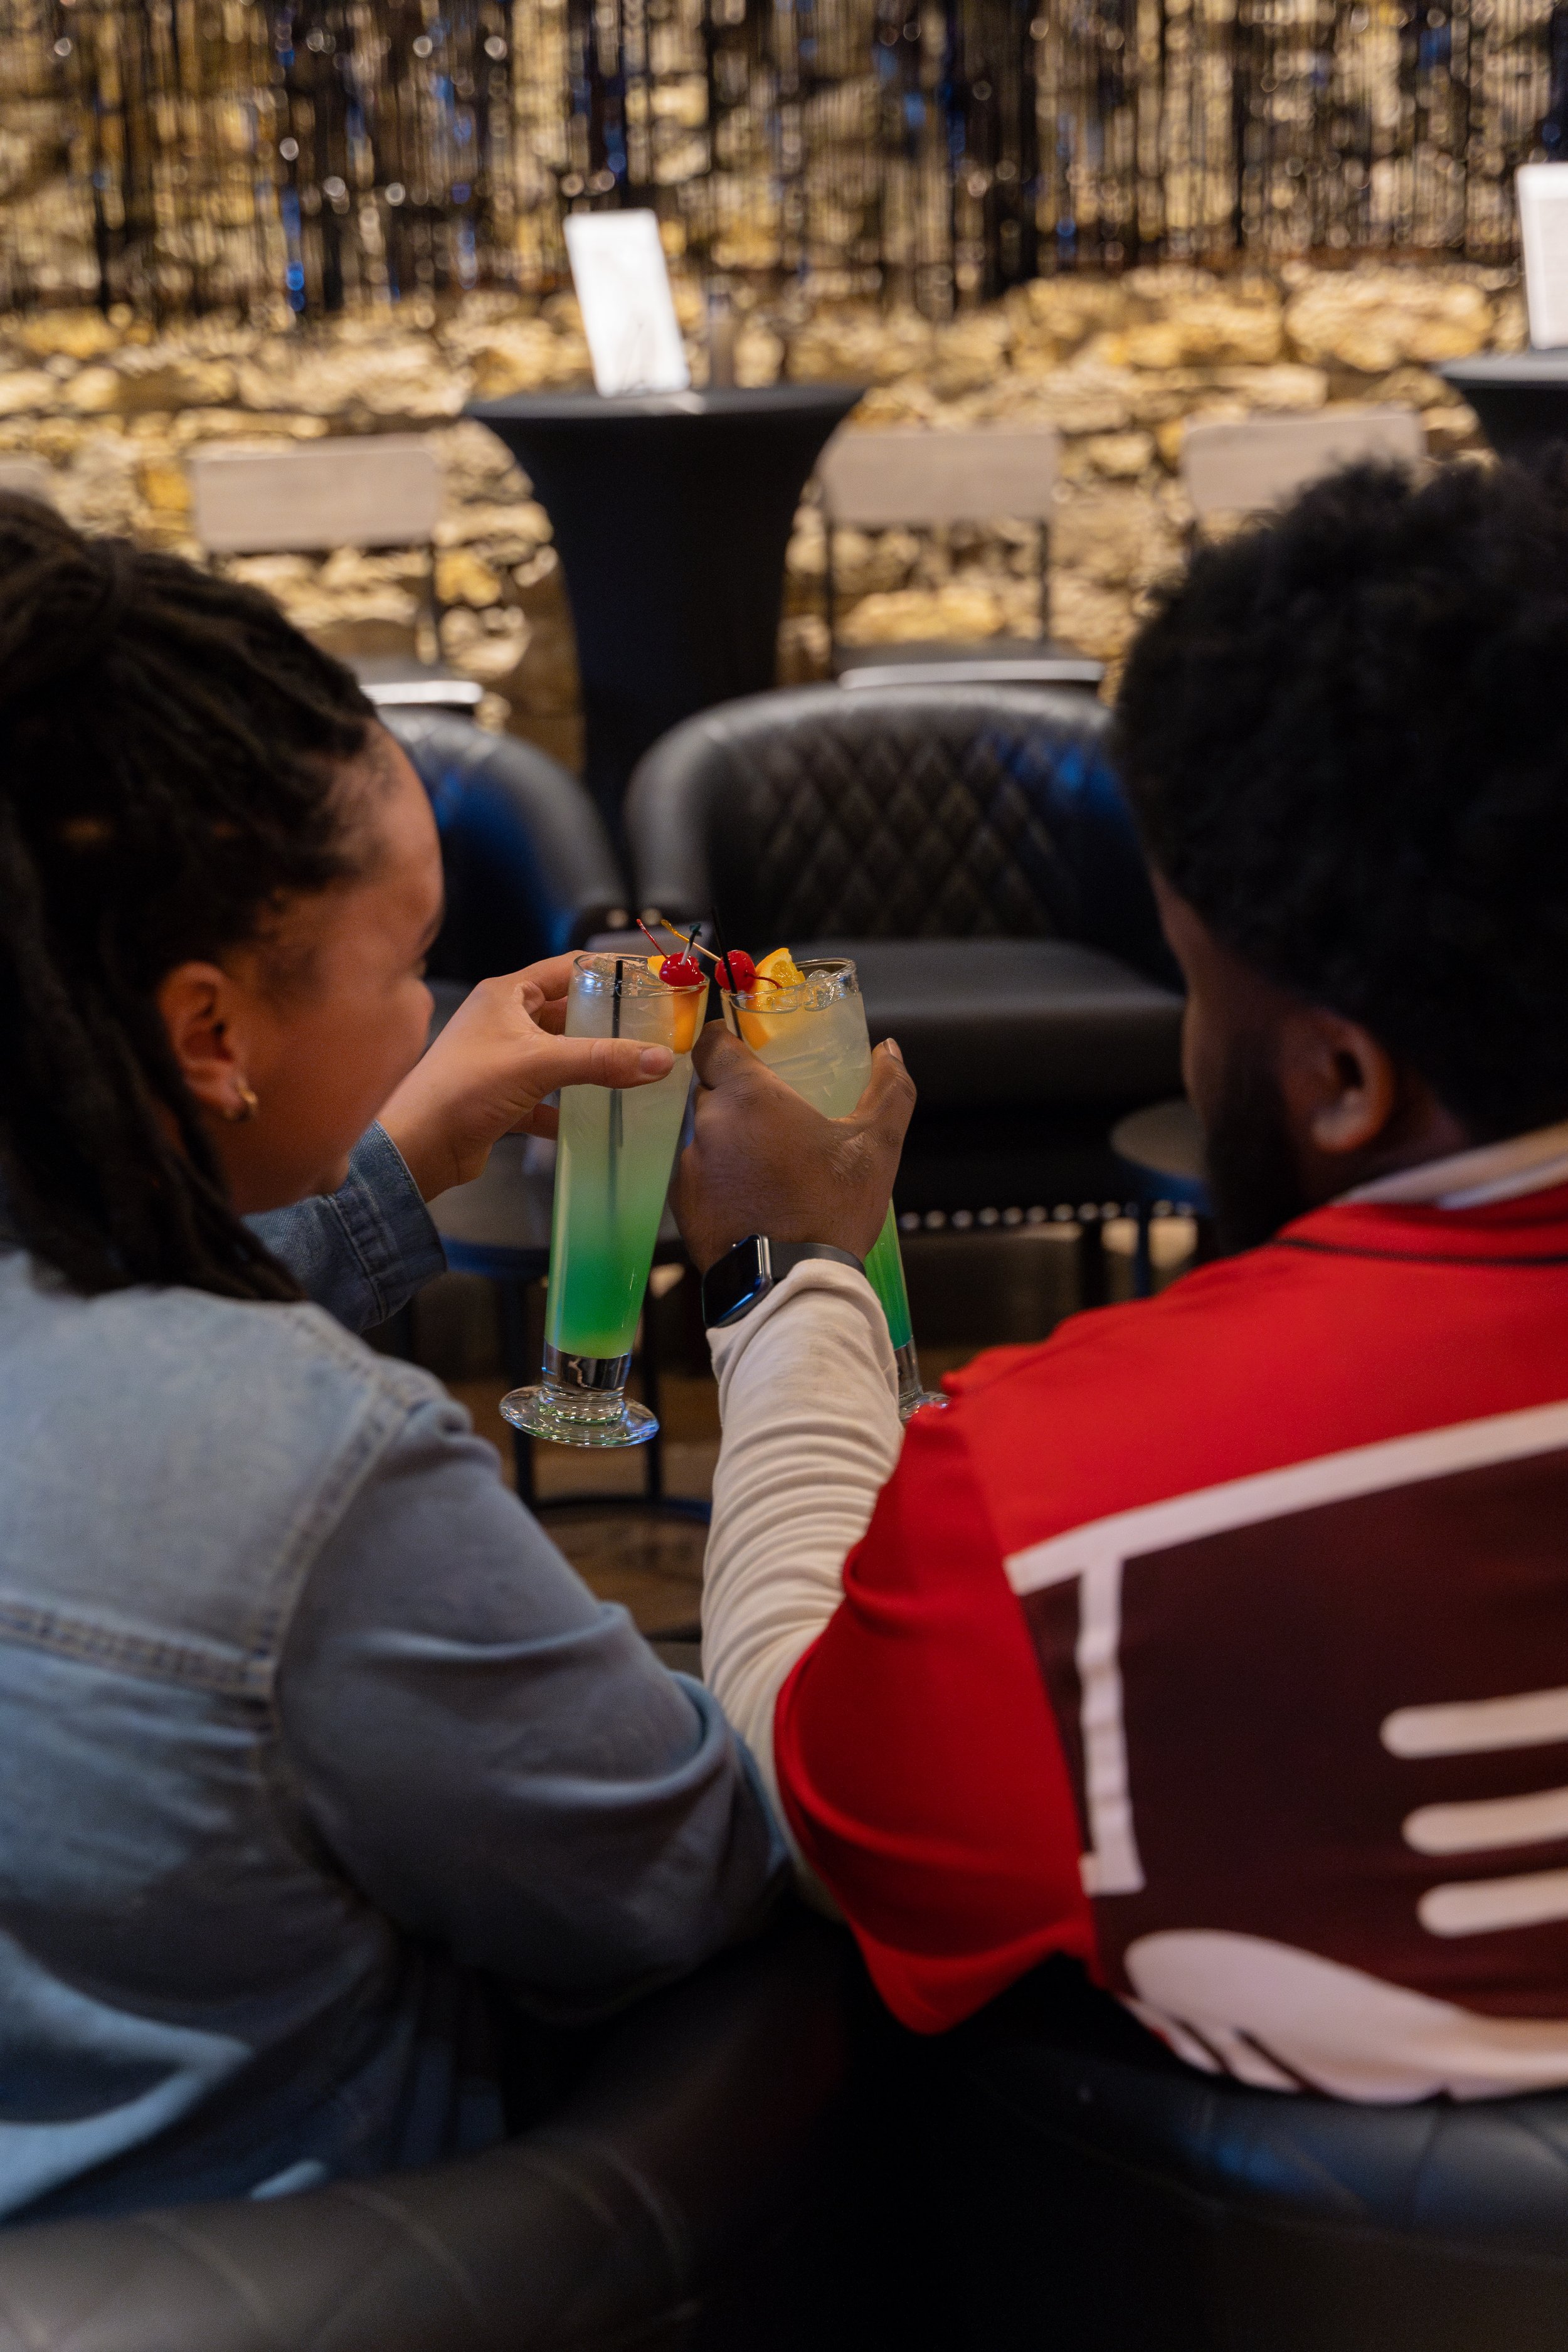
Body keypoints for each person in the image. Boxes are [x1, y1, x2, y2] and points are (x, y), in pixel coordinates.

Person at [674, 455, 1568, 2103]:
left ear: (1336, 1079)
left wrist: (784, 1283)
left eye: (1194, 979)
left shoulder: (1044, 1507)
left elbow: (792, 1803)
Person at [0, 494, 783, 2222]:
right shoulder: (319, 1467)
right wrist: (805, 1302)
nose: (437, 1012)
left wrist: (399, 1152)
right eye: (413, 964)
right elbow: (679, 1870)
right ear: (211, 1029)